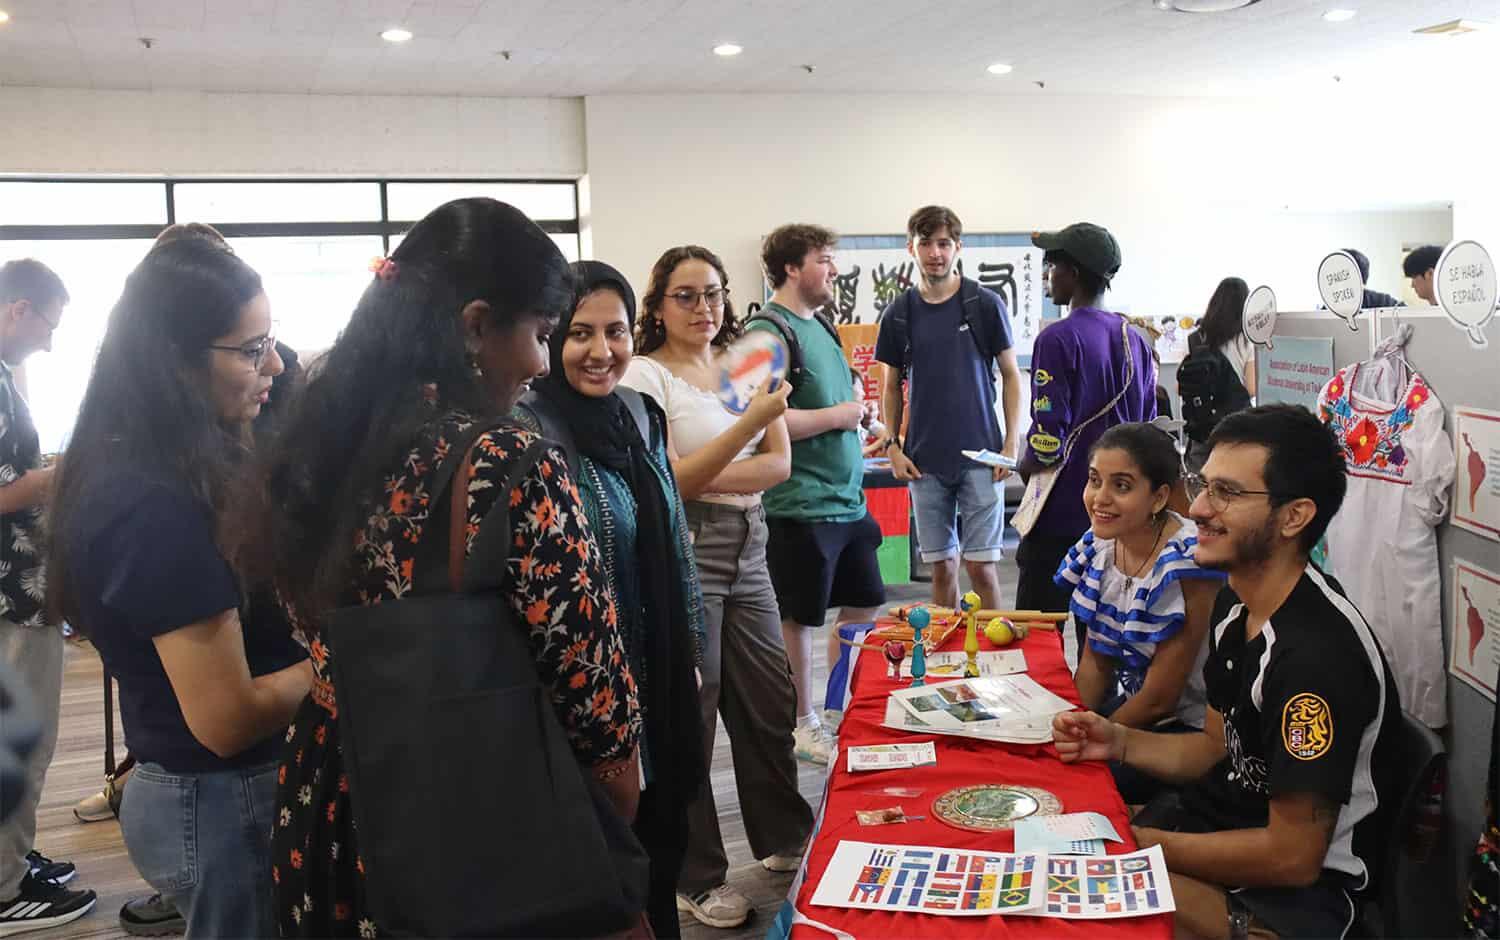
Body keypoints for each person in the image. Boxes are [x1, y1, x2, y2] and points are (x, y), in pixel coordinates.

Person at [236, 201, 644, 937]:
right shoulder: (505, 465)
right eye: (543, 335)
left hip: (335, 789)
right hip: (480, 799)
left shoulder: (316, 443)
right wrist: (615, 813)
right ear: (476, 324)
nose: (541, 365)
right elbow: (592, 694)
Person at [45, 238, 311, 936]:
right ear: (176, 360)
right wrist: (335, 662)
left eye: (272, 343)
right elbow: (226, 718)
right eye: (252, 350)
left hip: (208, 793)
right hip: (222, 800)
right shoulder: (154, 502)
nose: (276, 367)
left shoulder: (155, 463)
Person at [1053, 404, 1399, 940]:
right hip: (1220, 834)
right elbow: (1214, 746)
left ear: (1294, 517)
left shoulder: (1314, 657)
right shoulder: (1235, 603)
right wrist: (1116, 740)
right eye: (1203, 485)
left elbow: (1292, 858)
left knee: (1073, 893)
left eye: (1228, 494)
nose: (1199, 510)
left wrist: (1142, 845)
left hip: (1300, 904)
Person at [623, 245, 812, 929]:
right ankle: (695, 874)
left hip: (750, 543)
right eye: (687, 296)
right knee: (692, 713)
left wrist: (710, 464)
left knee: (767, 697)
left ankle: (784, 839)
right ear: (659, 304)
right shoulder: (645, 374)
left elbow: (779, 467)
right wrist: (750, 427)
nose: (705, 308)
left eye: (714, 293)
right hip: (687, 547)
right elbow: (668, 481)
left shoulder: (744, 363)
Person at [515, 259, 706, 938]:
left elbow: (675, 539)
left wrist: (688, 649)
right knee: (604, 867)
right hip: (585, 694)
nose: (602, 352)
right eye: (579, 334)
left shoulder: (640, 412)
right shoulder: (528, 430)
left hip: (655, 674)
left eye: (616, 331)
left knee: (660, 845)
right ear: (548, 338)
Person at [747, 224, 885, 765]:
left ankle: (834, 708)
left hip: (848, 500)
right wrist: (839, 416)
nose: (834, 269)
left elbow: (837, 400)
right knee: (800, 618)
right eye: (824, 260)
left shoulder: (822, 325)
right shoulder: (766, 332)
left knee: (866, 602)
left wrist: (859, 416)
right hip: (800, 505)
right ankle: (801, 723)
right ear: (790, 268)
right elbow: (753, 423)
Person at [0, 258, 98, 934]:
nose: (51, 342)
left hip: (24, 593)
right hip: (10, 598)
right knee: (16, 743)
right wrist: (46, 483)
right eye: (48, 327)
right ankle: (5, 893)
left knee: (23, 741)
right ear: (18, 309)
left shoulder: (7, 377)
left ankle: (11, 860)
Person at [1055, 422, 1225, 803]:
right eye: (1095, 480)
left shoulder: (1187, 564)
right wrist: (1071, 727)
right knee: (1041, 748)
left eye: (1122, 486)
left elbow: (1161, 699)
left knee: (1076, 782)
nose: (1100, 498)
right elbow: (1095, 665)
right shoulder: (1102, 545)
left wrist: (1090, 738)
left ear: (1159, 497)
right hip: (1137, 709)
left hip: (1190, 730)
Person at [875, 206, 1021, 610]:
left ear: (958, 247)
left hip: (981, 455)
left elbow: (1011, 375)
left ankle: (996, 659)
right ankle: (944, 659)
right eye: (926, 243)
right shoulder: (898, 313)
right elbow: (891, 386)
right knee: (942, 568)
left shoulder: (984, 304)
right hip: (924, 461)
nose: (935, 253)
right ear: (911, 248)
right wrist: (892, 445)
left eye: (943, 243)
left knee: (982, 569)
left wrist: (1010, 444)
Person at [1018, 223, 1157, 630]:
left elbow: (1047, 441)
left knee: (1038, 628)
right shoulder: (1136, 337)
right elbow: (1147, 426)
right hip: (1121, 516)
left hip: (1062, 511)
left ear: (1073, 272)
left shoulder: (1057, 339)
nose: (1048, 275)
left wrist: (1023, 467)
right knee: (1103, 630)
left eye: (1053, 264)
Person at [1182, 277, 1254, 472]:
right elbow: (1252, 388)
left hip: (1202, 422)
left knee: (1198, 482)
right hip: (1236, 425)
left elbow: (1182, 383)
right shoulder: (1247, 341)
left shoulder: (1196, 338)